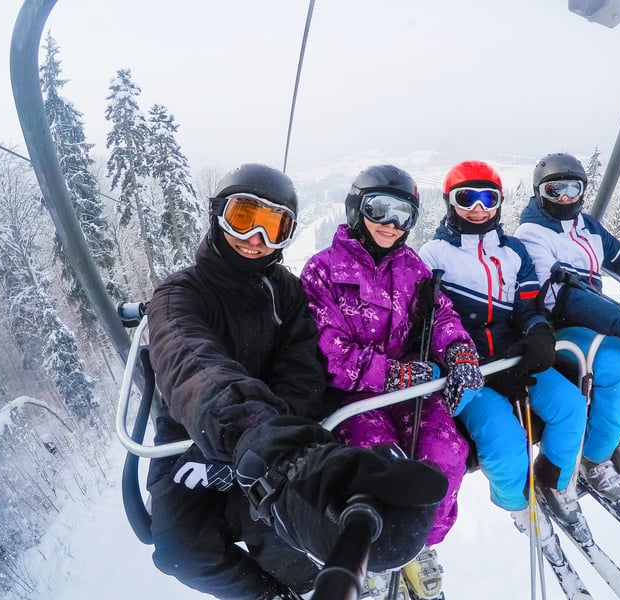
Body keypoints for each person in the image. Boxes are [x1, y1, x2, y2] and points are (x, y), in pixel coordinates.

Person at [146, 163, 449, 600]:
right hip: (194, 435)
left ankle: (312, 587)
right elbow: (193, 366)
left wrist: (261, 443)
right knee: (179, 550)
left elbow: (303, 372)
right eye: (245, 219)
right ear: (218, 215)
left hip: (272, 435)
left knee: (278, 523)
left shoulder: (284, 291)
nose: (256, 239)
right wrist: (241, 437)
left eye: (274, 227)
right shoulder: (180, 296)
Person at [300, 164, 484, 600]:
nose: (390, 224)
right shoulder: (323, 271)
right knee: (378, 465)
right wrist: (391, 372)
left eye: (403, 215)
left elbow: (439, 315)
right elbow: (326, 349)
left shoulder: (412, 266)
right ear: (355, 209)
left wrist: (458, 352)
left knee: (447, 452)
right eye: (379, 210)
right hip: (354, 397)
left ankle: (417, 543)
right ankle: (377, 555)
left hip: (408, 390)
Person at [418, 160, 590, 547]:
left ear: (498, 202)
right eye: (467, 198)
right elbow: (429, 325)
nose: (478, 208)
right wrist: (468, 363)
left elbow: (528, 306)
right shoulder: (434, 256)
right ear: (450, 202)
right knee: (505, 439)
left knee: (569, 406)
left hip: (512, 359)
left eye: (488, 198)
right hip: (465, 369)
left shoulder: (513, 252)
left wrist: (538, 335)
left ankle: (554, 482)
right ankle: (518, 504)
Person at [514, 152, 620, 524]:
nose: (566, 197)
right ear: (540, 193)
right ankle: (594, 459)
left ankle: (617, 443)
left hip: (602, 322)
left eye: (574, 188)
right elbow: (560, 297)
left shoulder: (588, 226)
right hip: (562, 327)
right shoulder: (532, 234)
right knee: (618, 370)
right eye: (555, 189)